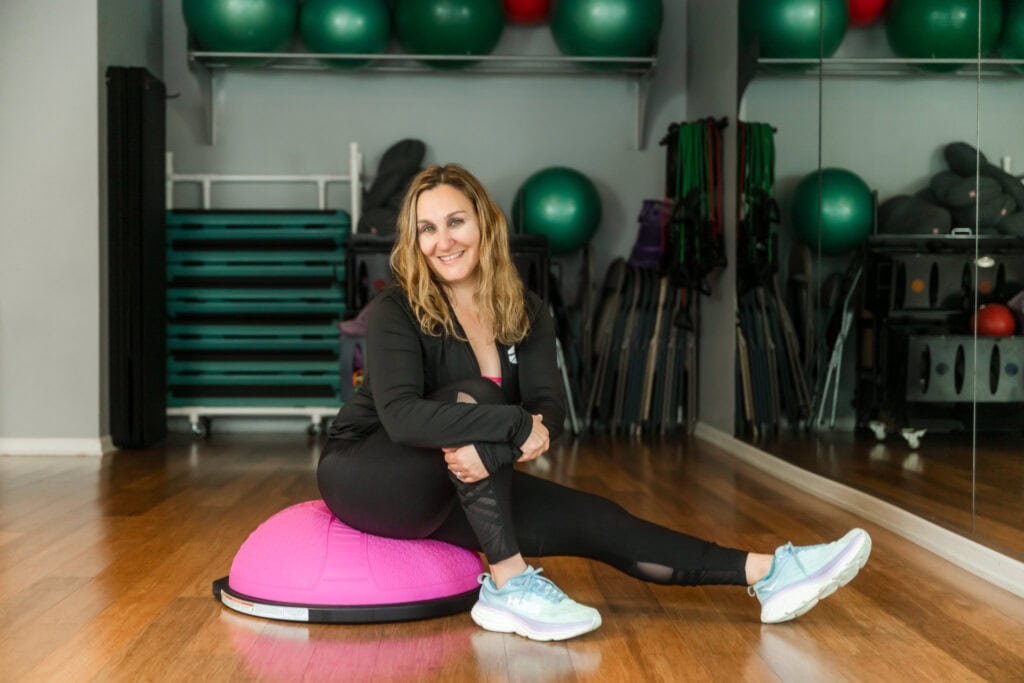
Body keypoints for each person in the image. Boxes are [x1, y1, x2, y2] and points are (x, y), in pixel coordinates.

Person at [318, 163, 871, 642]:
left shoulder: (526, 310)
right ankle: (510, 585)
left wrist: (512, 438)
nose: (444, 241)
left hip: (456, 474)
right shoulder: (400, 310)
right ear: (414, 243)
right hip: (370, 470)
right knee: (481, 396)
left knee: (599, 519)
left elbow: (548, 408)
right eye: (427, 230)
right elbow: (404, 416)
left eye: (456, 221)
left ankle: (772, 573)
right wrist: (512, 428)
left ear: (485, 223)